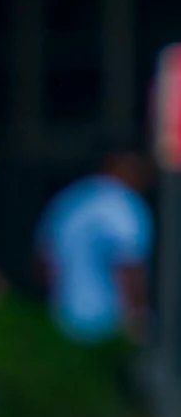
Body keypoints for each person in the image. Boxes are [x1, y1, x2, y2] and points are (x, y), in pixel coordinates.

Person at [37, 143, 153, 345]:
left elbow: (43, 262)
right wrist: (137, 316)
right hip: (109, 325)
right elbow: (129, 266)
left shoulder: (71, 199)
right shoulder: (123, 204)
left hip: (62, 321)